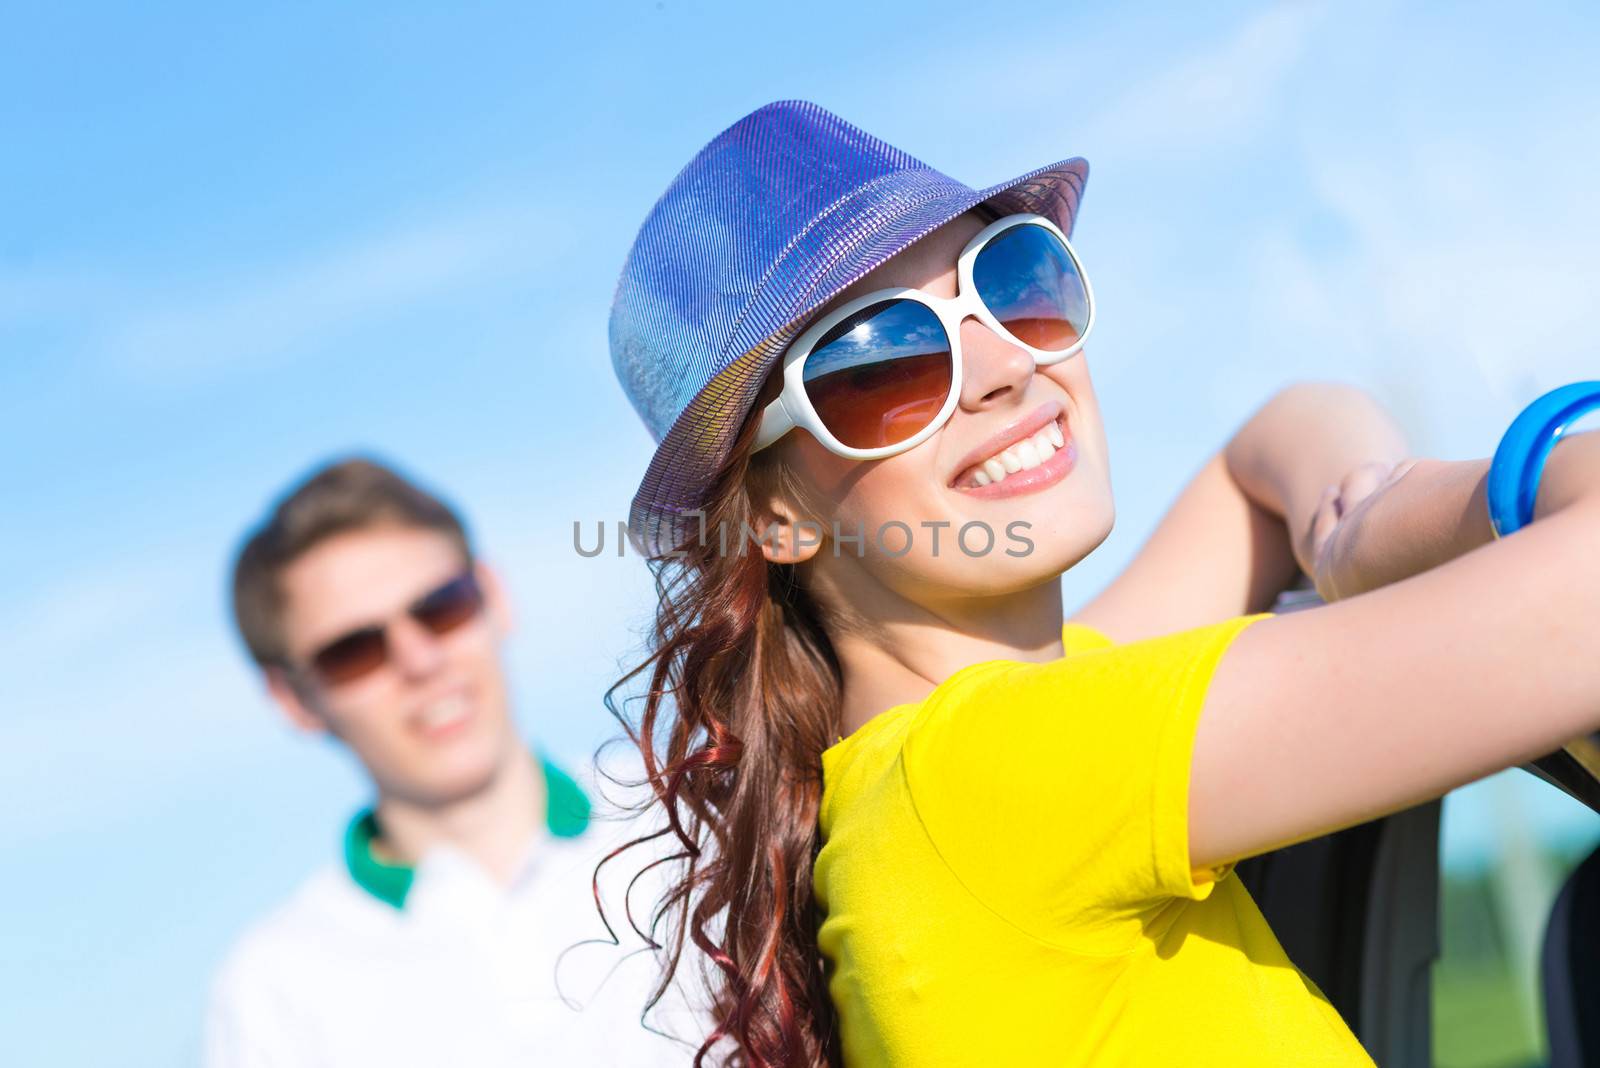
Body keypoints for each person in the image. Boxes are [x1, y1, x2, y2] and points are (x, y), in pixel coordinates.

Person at [602, 99, 1600, 1066]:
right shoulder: (1000, 771)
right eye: (881, 362)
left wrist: (1369, 514)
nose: (1001, 366)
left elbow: (1269, 444)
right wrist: (1480, 496)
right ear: (773, 518)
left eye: (1011, 282)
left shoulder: (935, 778)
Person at [205, 455, 697, 1067]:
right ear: (293, 700)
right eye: (354, 651)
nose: (419, 661)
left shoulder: (699, 812)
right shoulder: (274, 993)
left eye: (442, 607)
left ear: (493, 596)